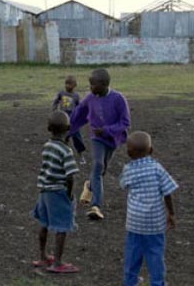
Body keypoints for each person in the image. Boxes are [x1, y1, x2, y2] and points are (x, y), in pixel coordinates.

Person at [69, 69, 130, 220]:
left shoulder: (118, 99)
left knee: (101, 171)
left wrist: (107, 130)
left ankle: (89, 186)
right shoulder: (90, 98)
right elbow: (78, 115)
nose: (90, 88)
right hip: (96, 138)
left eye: (93, 85)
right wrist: (66, 131)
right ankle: (96, 206)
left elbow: (125, 122)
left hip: (112, 140)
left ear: (103, 84)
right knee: (97, 166)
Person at [120, 131, 178, 286]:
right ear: (151, 150)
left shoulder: (128, 170)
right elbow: (167, 192)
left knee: (132, 255)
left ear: (128, 152)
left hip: (134, 223)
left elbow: (123, 185)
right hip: (155, 224)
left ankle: (130, 281)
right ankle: (158, 282)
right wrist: (171, 213)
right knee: (156, 256)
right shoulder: (157, 169)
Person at [31, 111, 79, 273]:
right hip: (58, 191)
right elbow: (70, 175)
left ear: (48, 128)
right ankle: (58, 262)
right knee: (61, 226)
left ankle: (43, 256)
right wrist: (70, 194)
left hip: (44, 191)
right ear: (68, 128)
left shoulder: (47, 146)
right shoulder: (66, 151)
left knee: (44, 223)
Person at [52, 75, 86, 164]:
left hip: (73, 119)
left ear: (75, 85)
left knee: (77, 137)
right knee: (63, 137)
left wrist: (80, 117)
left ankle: (81, 155)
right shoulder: (62, 93)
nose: (67, 86)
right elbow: (55, 101)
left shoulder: (76, 96)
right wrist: (54, 110)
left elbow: (80, 107)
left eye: (69, 84)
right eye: (66, 83)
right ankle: (62, 155)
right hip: (63, 118)